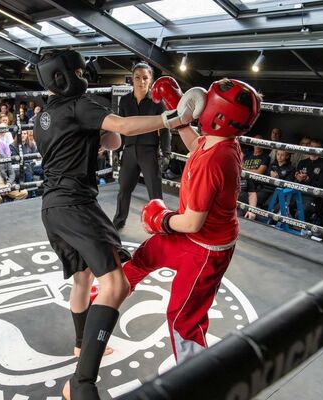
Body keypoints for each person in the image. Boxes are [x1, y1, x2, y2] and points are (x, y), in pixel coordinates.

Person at [32, 49, 203, 400]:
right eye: (80, 71)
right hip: (77, 204)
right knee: (115, 285)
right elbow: (122, 129)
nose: (86, 76)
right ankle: (79, 383)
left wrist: (101, 131)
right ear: (67, 76)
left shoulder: (42, 117)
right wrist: (173, 117)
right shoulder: (79, 105)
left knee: (83, 279)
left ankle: (82, 344)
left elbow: (111, 140)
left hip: (51, 207)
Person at [121, 77, 261, 364]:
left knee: (183, 317)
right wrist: (179, 113)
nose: (202, 105)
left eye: (208, 103)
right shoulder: (223, 142)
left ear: (218, 116)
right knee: (145, 254)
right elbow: (196, 143)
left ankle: (195, 379)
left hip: (206, 249)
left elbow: (191, 223)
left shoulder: (214, 162)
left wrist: (160, 219)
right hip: (192, 238)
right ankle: (106, 296)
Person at [112, 62, 172, 230]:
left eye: (145, 78)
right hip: (129, 151)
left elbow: (165, 129)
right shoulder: (124, 101)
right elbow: (119, 128)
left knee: (155, 193)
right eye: (137, 77)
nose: (141, 81)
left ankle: (160, 224)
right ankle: (118, 221)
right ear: (132, 79)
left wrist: (166, 153)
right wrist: (117, 151)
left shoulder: (158, 102)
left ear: (151, 79)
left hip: (149, 151)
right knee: (123, 190)